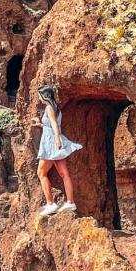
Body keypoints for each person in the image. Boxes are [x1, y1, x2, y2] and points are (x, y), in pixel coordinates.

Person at [31, 84, 81, 218]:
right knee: (64, 173)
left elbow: (54, 124)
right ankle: (70, 202)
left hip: (51, 142)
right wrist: (40, 124)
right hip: (54, 139)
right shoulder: (56, 107)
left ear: (44, 96)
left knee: (41, 173)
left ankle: (50, 203)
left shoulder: (48, 108)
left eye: (39, 95)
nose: (38, 97)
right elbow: (51, 124)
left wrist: (57, 140)